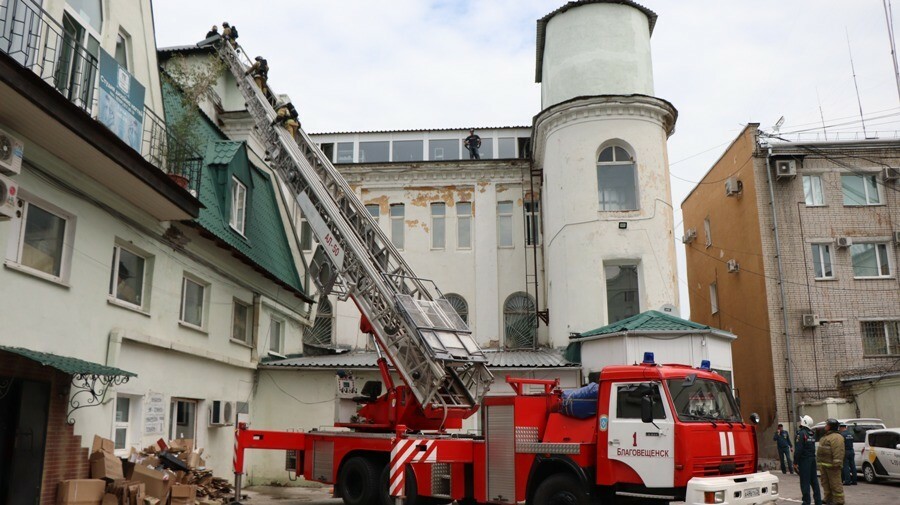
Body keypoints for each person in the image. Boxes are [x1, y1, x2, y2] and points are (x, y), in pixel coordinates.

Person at [793, 415, 822, 505]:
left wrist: (795, 462)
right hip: (812, 459)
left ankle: (806, 502)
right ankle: (818, 501)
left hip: (804, 461)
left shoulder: (801, 434)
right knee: (814, 481)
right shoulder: (811, 433)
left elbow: (798, 450)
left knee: (804, 482)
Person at [816, 418, 845, 505]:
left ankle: (839, 500)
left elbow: (838, 451)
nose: (825, 426)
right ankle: (828, 498)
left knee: (835, 483)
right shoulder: (827, 436)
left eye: (827, 425)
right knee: (825, 483)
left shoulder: (836, 437)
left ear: (831, 426)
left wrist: (837, 463)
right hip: (825, 465)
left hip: (833, 465)